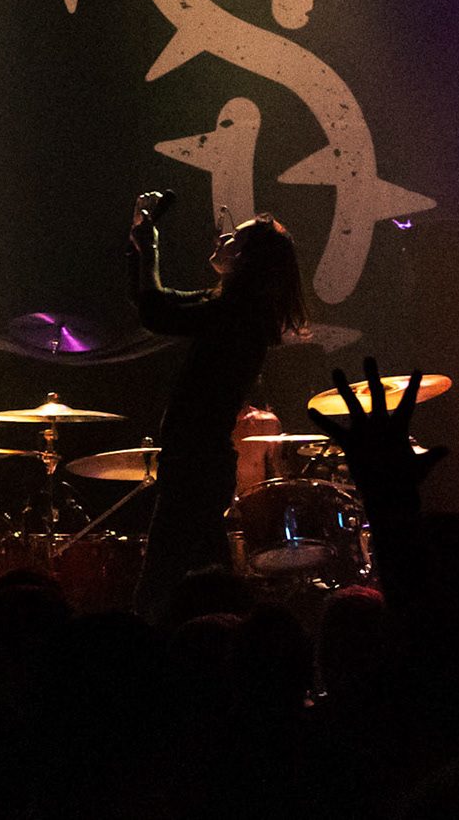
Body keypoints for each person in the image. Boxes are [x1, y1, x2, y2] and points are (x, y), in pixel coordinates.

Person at [127, 195, 308, 616]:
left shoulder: (237, 313)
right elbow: (151, 303)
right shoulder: (234, 308)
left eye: (233, 237)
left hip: (196, 465)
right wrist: (139, 246)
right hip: (197, 464)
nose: (222, 238)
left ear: (247, 258)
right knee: (205, 589)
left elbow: (154, 311)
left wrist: (149, 245)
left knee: (161, 588)